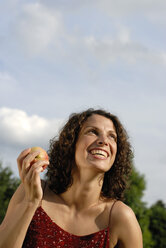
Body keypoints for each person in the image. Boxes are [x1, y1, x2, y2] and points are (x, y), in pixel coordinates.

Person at [0, 108, 143, 248]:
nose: (104, 140)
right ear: (71, 144)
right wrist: (30, 203)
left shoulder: (120, 217)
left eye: (112, 136)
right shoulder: (30, 192)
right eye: (93, 131)